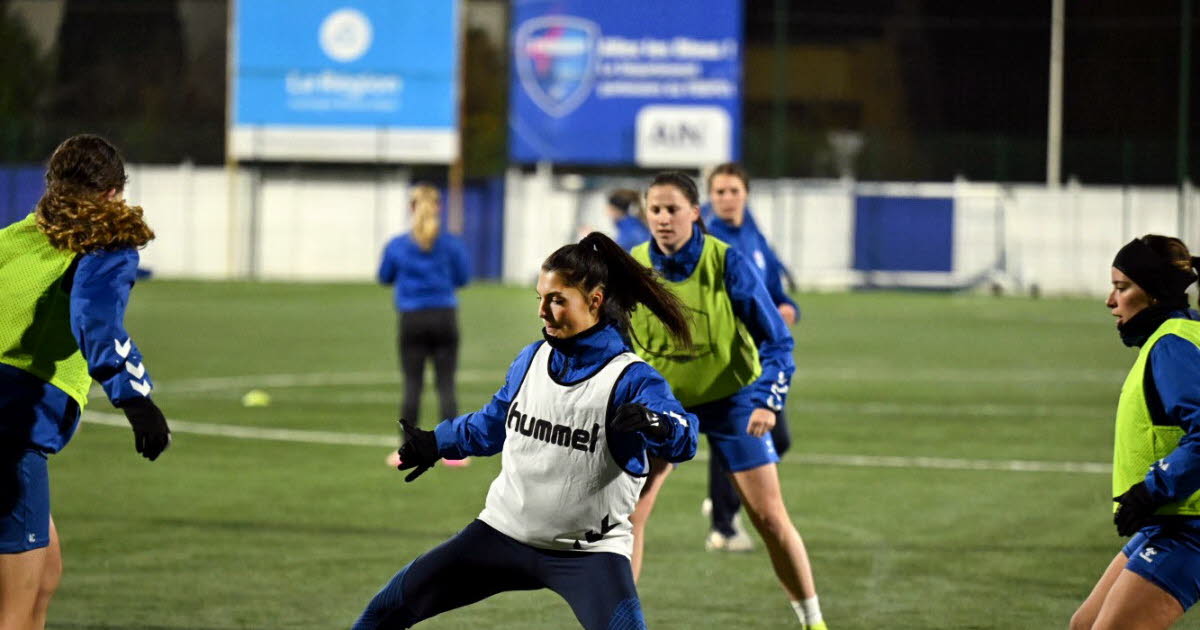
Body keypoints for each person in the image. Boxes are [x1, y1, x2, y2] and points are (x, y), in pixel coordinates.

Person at [351, 232, 700, 630]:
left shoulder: (630, 378)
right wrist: (436, 442)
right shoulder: (532, 358)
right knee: (383, 611)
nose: (543, 311)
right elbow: (492, 424)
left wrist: (657, 424)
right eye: (540, 298)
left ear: (595, 301)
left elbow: (685, 436)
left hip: (588, 554)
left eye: (557, 300)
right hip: (500, 534)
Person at [626, 171, 828, 629]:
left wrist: (766, 400)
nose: (662, 218)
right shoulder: (633, 268)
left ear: (695, 214)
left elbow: (777, 343)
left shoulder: (726, 262)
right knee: (629, 516)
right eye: (654, 210)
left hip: (732, 399)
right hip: (664, 407)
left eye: (672, 209)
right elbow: (615, 342)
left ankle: (814, 622)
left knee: (770, 518)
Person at [0, 134, 171, 630]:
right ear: (114, 194)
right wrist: (136, 400)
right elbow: (95, 319)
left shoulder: (14, 238)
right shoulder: (104, 244)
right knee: (13, 610)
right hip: (12, 434)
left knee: (45, 570)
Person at [1070, 235, 1200, 630]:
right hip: (1170, 521)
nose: (1111, 301)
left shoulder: (1172, 345)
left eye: (1122, 288)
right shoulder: (1176, 335)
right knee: (1084, 624)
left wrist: (1152, 488)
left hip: (1189, 527)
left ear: (1155, 294)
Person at [701, 162, 800, 552]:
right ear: (710, 198)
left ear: (746, 194)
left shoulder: (753, 233)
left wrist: (788, 307)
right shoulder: (707, 239)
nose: (726, 198)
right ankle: (723, 527)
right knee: (733, 435)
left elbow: (775, 286)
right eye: (719, 192)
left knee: (779, 437)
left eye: (733, 191)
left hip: (763, 356)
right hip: (731, 359)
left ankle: (727, 499)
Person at [378, 184, 470, 466]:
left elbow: (384, 276)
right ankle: (454, 453)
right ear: (439, 208)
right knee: (445, 385)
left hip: (412, 319)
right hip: (444, 316)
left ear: (411, 208)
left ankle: (406, 451)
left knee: (412, 386)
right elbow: (463, 277)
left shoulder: (397, 245)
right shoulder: (452, 243)